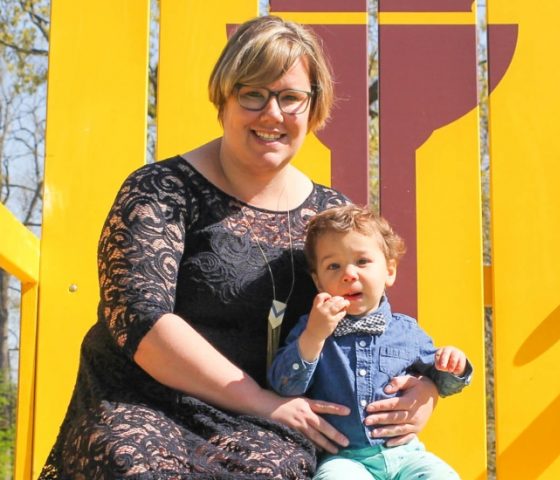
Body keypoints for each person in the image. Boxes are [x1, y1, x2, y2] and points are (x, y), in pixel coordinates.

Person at [40, 16, 442, 480]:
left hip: (264, 423)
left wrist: (425, 389)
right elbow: (142, 322)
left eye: (291, 97)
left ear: (313, 109)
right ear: (224, 97)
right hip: (142, 398)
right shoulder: (160, 191)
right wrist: (265, 403)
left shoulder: (333, 219)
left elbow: (373, 326)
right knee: (137, 464)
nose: (272, 114)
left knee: (275, 470)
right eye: (253, 93)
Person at [268, 204, 473, 479]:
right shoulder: (311, 328)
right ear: (318, 282)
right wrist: (315, 336)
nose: (349, 274)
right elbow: (284, 385)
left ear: (389, 271)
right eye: (333, 266)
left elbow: (441, 380)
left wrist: (453, 365)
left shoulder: (406, 331)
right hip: (344, 459)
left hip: (406, 454)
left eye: (362, 261)